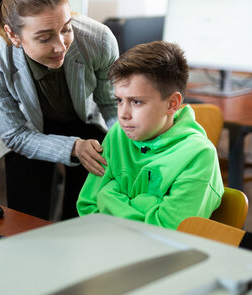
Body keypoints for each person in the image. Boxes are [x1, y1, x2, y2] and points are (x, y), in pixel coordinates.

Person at [0, 0, 119, 220]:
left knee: (84, 210)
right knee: (27, 216)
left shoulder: (98, 39)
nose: (60, 46)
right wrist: (72, 147)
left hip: (83, 119)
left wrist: (125, 140)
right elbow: (14, 134)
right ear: (14, 35)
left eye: (66, 29)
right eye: (44, 38)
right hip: (27, 128)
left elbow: (109, 103)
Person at [77, 41, 224, 230]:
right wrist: (149, 205)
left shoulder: (198, 155)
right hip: (106, 247)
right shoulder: (119, 134)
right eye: (119, 100)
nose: (123, 114)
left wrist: (109, 195)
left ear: (172, 104)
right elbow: (87, 207)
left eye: (136, 102)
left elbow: (166, 230)